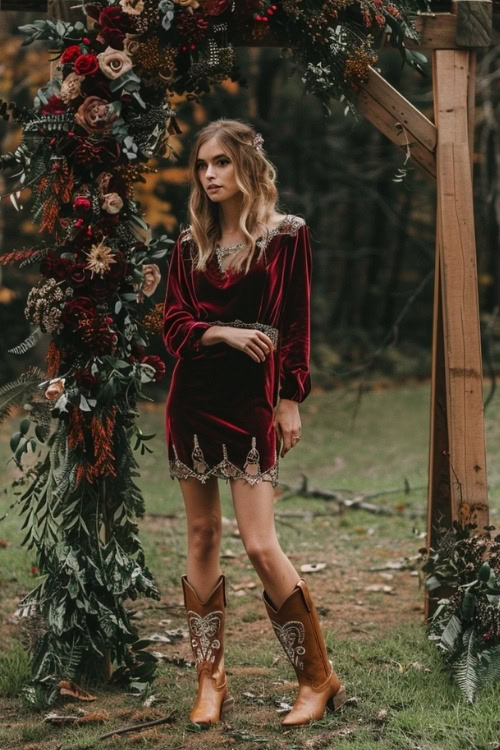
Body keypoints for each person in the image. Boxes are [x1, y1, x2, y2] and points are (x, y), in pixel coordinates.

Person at [162, 119, 346, 727]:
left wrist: (290, 399)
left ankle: (317, 679)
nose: (210, 175)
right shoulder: (186, 246)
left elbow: (296, 325)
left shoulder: (287, 236)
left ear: (246, 165)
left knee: (261, 543)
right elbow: (172, 325)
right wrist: (218, 330)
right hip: (191, 400)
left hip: (251, 405)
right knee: (201, 537)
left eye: (220, 162)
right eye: (201, 166)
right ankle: (210, 682)